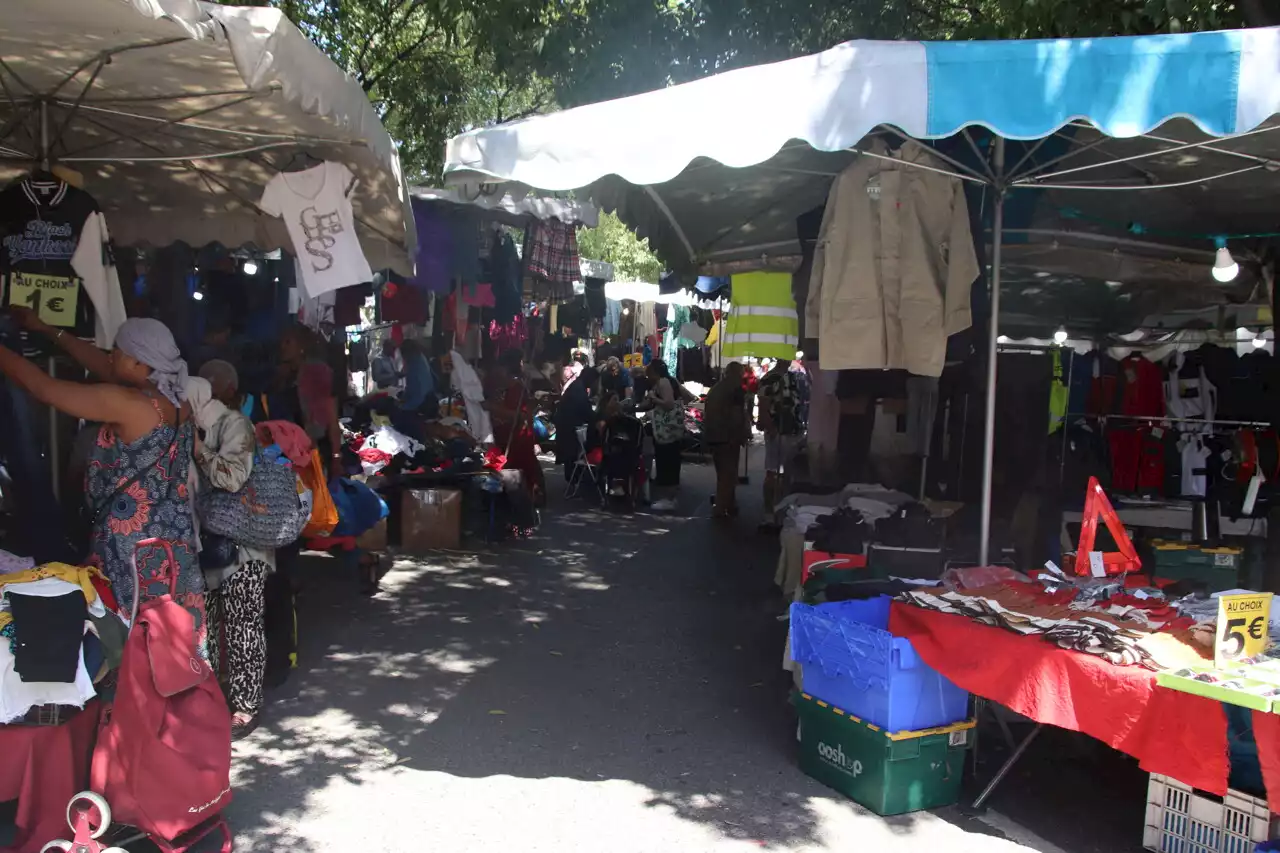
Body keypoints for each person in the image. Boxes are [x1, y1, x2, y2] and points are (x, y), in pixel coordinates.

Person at [0, 310, 206, 650]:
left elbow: (44, 388)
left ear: (141, 363)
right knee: (173, 641)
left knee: (126, 638)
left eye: (119, 351)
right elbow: (105, 366)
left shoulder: (127, 404)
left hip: (128, 550)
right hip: (173, 544)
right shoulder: (177, 402)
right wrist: (48, 330)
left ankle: (131, 700)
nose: (111, 356)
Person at [190, 360, 272, 738]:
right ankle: (215, 697)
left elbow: (233, 477)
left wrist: (199, 451)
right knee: (207, 623)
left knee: (242, 625)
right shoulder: (188, 424)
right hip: (204, 539)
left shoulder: (235, 424)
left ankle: (245, 706)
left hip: (242, 541)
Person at [488, 349, 546, 504]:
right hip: (507, 436)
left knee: (520, 473)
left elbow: (520, 415)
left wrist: (491, 408)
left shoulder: (517, 388)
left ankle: (527, 502)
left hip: (516, 437)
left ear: (506, 368)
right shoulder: (504, 386)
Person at [758, 358, 804, 524]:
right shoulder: (770, 378)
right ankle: (769, 511)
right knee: (773, 473)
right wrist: (770, 427)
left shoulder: (793, 377)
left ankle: (781, 508)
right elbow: (763, 405)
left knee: (787, 474)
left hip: (793, 430)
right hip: (777, 431)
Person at [703, 361, 748, 519]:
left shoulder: (716, 389)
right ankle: (721, 508)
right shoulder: (735, 390)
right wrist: (740, 435)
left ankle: (729, 503)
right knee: (728, 474)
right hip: (727, 435)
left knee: (722, 472)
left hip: (713, 434)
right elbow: (736, 416)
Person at [637, 358, 683, 512]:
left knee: (666, 460)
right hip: (670, 430)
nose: (647, 374)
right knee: (670, 460)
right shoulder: (669, 381)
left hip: (666, 430)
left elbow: (669, 404)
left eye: (649, 371)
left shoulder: (663, 382)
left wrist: (654, 398)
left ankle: (668, 498)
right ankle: (671, 497)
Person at [555, 366, 600, 483]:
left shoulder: (577, 386)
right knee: (573, 453)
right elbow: (586, 412)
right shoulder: (578, 390)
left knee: (571, 455)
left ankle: (574, 479)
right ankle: (575, 480)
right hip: (570, 428)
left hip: (567, 425)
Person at [400, 338, 438, 415]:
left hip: (422, 406)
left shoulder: (414, 366)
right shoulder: (421, 357)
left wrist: (403, 408)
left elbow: (418, 396)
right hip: (432, 400)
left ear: (406, 353)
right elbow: (435, 378)